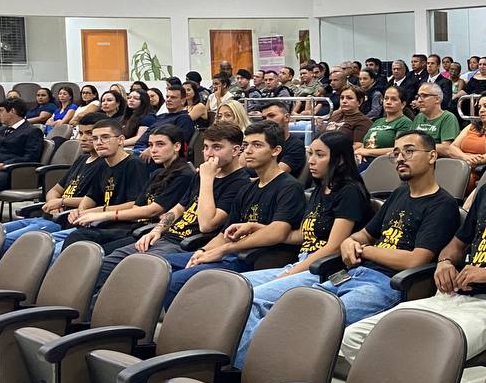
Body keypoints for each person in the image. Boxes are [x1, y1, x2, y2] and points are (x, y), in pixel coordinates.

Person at [343, 110, 486, 365]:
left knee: (423, 354)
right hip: (451, 295)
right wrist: (445, 263)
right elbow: (456, 244)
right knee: (354, 337)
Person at [229, 133, 375, 364]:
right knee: (234, 288)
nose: (312, 161)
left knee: (254, 298)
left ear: (339, 159)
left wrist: (292, 272)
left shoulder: (349, 191)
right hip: (302, 262)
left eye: (320, 155)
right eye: (311, 154)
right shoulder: (321, 188)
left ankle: (246, 369)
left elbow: (333, 246)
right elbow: (303, 235)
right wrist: (257, 227)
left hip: (323, 269)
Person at [158, 122, 308, 307]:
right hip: (233, 254)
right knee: (160, 267)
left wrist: (223, 250)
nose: (249, 151)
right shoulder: (248, 188)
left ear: (275, 150)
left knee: (176, 281)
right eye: (246, 145)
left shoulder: (289, 187)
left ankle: (184, 325)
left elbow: (277, 232)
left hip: (255, 259)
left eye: (257, 145)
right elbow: (225, 233)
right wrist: (203, 251)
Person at [93, 122, 252, 289]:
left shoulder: (239, 183)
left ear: (236, 150)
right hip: (166, 237)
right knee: (106, 263)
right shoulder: (202, 175)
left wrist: (207, 179)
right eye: (205, 147)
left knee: (135, 270)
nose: (209, 153)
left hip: (186, 245)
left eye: (217, 147)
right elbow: (179, 208)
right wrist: (156, 231)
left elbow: (207, 225)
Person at [61, 124, 195, 250]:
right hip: (134, 227)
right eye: (150, 145)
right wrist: (89, 213)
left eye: (160, 144)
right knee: (80, 237)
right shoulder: (157, 173)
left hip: (146, 232)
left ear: (177, 146)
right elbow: (137, 207)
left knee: (92, 249)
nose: (153, 150)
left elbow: (153, 211)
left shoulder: (184, 175)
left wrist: (103, 215)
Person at [45, 119, 150, 255]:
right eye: (95, 138)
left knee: (55, 254)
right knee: (42, 246)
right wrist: (80, 211)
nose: (99, 142)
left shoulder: (134, 164)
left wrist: (96, 212)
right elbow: (91, 197)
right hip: (96, 225)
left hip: (122, 227)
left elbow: (135, 204)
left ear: (121, 140)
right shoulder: (102, 164)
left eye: (105, 137)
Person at [0, 134, 98, 250]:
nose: (83, 138)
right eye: (81, 133)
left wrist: (62, 202)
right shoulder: (82, 160)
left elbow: (95, 200)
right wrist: (53, 202)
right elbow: (55, 190)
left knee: (3, 242)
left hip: (61, 221)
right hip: (46, 216)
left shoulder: (103, 165)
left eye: (89, 133)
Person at [0, 99, 45, 204]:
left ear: (12, 111)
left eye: (1, 111)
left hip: (14, 172)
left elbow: (30, 158)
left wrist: (3, 165)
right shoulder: (2, 130)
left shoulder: (32, 131)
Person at [439, 90, 486, 172]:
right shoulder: (471, 126)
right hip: (461, 165)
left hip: (482, 170)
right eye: (479, 107)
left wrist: (479, 160)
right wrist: (465, 157)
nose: (481, 110)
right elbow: (452, 147)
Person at [353, 85, 414, 167]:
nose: (388, 102)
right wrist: (360, 153)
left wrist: (367, 152)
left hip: (385, 164)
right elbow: (365, 144)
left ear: (403, 104)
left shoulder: (404, 122)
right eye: (386, 98)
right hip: (364, 161)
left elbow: (399, 150)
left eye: (393, 99)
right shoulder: (378, 121)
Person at [136, 85, 195, 154]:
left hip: (154, 153)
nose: (168, 100)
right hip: (138, 148)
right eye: (167, 97)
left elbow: (179, 143)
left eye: (173, 97)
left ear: (183, 101)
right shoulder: (161, 116)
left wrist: (151, 149)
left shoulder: (184, 118)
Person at [259, 101, 307, 176]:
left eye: (271, 116)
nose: (266, 121)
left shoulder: (296, 145)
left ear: (286, 118)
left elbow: (275, 175)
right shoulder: (260, 142)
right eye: (264, 118)